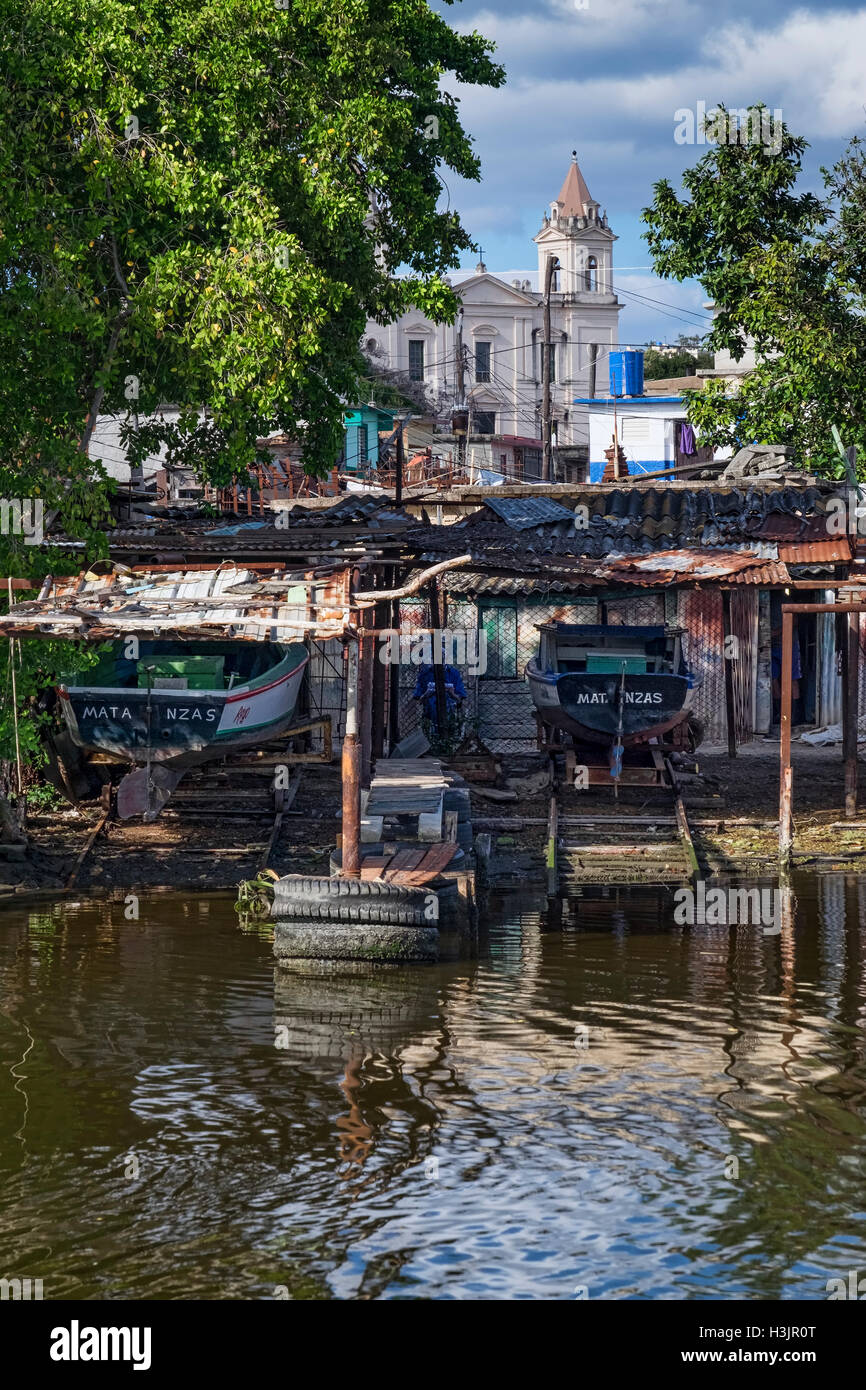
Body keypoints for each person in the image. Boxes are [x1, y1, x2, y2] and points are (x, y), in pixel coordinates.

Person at [412, 661, 467, 732]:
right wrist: (426, 694)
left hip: (449, 709)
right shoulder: (425, 674)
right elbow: (419, 699)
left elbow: (459, 699)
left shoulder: (453, 673)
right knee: (432, 707)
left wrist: (452, 694)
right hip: (430, 711)